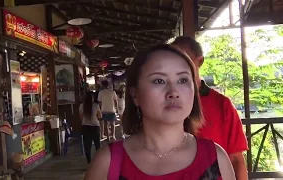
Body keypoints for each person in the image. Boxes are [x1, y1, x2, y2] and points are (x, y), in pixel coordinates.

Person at [84, 44, 235, 180]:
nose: (173, 92)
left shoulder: (216, 158)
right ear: (135, 94)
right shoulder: (108, 162)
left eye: (182, 80)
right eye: (159, 81)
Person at [172, 36, 248, 180]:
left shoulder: (222, 105)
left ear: (199, 61)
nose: (178, 64)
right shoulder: (166, 102)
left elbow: (237, 160)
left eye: (184, 57)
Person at [79, 91, 102, 164]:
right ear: (92, 98)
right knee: (97, 145)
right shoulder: (96, 105)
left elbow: (81, 117)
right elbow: (100, 116)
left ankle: (89, 162)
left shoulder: (81, 106)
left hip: (86, 127)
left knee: (87, 146)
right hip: (95, 127)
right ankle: (98, 161)